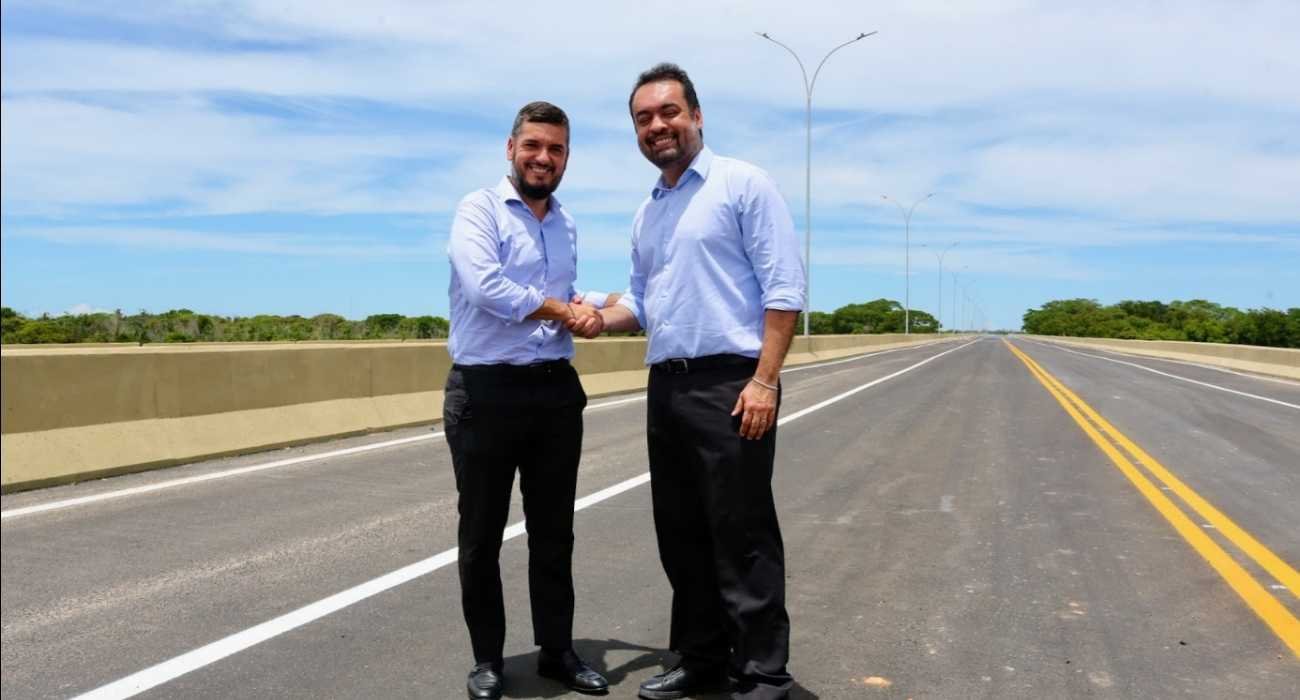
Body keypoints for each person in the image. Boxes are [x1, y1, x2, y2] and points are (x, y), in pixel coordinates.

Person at [596, 64, 806, 700]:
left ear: (696, 115)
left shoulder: (742, 184)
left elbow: (785, 289)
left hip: (730, 383)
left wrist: (765, 381)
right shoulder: (648, 212)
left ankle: (764, 673)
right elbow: (641, 301)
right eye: (643, 118)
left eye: (668, 112)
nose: (657, 125)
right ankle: (702, 659)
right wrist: (597, 320)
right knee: (681, 534)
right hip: (667, 385)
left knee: (739, 533)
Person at [444, 100, 609, 700]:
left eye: (557, 149)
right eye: (534, 146)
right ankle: (487, 659)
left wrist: (598, 304)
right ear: (510, 148)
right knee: (482, 534)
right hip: (485, 391)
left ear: (567, 157)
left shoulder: (566, 225)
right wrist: (568, 310)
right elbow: (486, 286)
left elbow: (562, 291)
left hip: (553, 393)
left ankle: (558, 652)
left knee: (554, 532)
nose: (544, 158)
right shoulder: (478, 210)